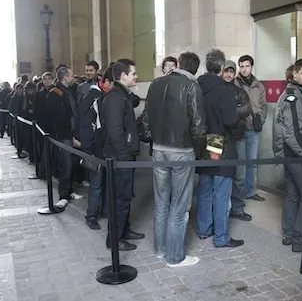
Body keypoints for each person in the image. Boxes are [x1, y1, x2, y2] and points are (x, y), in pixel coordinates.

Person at [143, 52, 206, 267]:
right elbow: (198, 125)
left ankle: (160, 249)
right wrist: (197, 148)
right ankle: (175, 256)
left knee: (161, 202)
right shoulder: (191, 86)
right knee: (179, 205)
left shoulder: (156, 83)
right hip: (182, 150)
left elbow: (146, 117)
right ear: (196, 69)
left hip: (159, 148)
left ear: (178, 64)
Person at [196, 49, 244, 248]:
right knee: (222, 191)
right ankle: (221, 237)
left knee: (205, 188)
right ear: (222, 67)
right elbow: (231, 120)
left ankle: (203, 229)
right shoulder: (223, 90)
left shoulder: (197, 87)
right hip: (220, 141)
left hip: (202, 142)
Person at [100, 59, 143, 251]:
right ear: (123, 76)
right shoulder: (116, 97)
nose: (136, 76)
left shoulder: (122, 95)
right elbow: (115, 132)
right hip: (119, 158)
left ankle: (124, 230)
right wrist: (124, 154)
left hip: (124, 157)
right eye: (133, 73)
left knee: (125, 197)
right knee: (120, 199)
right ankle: (115, 239)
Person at [272, 58, 302, 253]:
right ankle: (299, 238)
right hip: (296, 154)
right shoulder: (293, 96)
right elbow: (293, 133)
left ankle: (289, 234)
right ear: (294, 74)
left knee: (292, 194)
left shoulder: (300, 93)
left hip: (292, 154)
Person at [79, 66, 115, 230]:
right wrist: (89, 148)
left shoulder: (101, 96)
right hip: (95, 149)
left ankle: (106, 211)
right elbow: (87, 124)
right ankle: (91, 215)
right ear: (106, 82)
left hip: (104, 147)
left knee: (106, 182)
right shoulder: (94, 97)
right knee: (97, 183)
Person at [221, 60, 254, 221]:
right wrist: (235, 110)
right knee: (217, 174)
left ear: (235, 73)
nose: (228, 74)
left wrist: (229, 111)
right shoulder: (217, 90)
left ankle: (237, 208)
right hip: (218, 138)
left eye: (231, 71)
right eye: (226, 71)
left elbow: (247, 108)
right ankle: (220, 210)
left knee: (239, 176)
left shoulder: (239, 91)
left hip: (238, 137)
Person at [47, 65, 83, 208]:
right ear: (65, 77)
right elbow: (60, 118)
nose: (73, 78)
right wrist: (70, 135)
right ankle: (63, 195)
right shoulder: (55, 93)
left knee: (72, 163)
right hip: (63, 135)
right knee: (66, 165)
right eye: (71, 75)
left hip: (72, 133)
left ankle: (70, 190)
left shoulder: (68, 91)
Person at [234, 55, 267, 202]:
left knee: (252, 162)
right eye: (241, 66)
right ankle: (239, 193)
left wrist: (261, 119)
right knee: (240, 163)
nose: (244, 69)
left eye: (246, 66)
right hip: (240, 129)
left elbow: (263, 105)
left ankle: (251, 190)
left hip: (254, 128)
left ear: (251, 67)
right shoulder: (234, 83)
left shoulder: (258, 85)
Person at [34, 72, 54, 179]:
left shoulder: (56, 92)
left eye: (49, 78)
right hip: (43, 126)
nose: (47, 81)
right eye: (45, 79)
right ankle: (43, 171)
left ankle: (53, 170)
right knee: (44, 150)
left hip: (54, 125)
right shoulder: (38, 95)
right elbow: (37, 111)